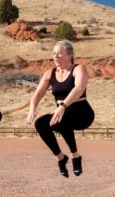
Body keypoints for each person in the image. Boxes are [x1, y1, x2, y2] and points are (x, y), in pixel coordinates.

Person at [26, 40, 94, 177]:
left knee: (61, 118)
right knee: (40, 123)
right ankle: (61, 158)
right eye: (54, 53)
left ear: (70, 55)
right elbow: (37, 94)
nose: (56, 57)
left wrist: (62, 106)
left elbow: (79, 88)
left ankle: (75, 156)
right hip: (61, 113)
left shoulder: (79, 68)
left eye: (60, 53)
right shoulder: (50, 73)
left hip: (82, 113)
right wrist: (32, 109)